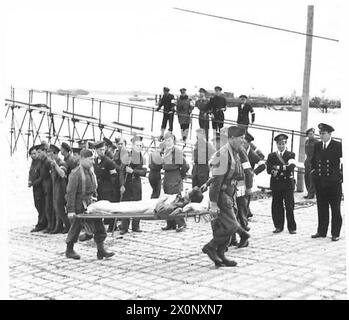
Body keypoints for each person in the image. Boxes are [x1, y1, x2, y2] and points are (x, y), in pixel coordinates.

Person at [202, 126, 250, 267]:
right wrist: (214, 203)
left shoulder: (235, 152)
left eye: (243, 137)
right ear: (231, 138)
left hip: (230, 194)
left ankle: (221, 254)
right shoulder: (223, 155)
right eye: (240, 138)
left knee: (225, 226)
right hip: (221, 195)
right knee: (231, 226)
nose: (243, 140)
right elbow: (216, 182)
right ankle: (211, 247)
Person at [65, 149, 114, 260]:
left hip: (90, 204)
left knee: (99, 226)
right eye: (90, 159)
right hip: (79, 205)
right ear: (82, 159)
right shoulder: (75, 174)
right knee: (76, 227)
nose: (93, 161)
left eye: (93, 159)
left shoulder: (91, 171)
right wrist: (71, 210)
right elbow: (70, 193)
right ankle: (69, 250)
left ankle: (100, 251)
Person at [311, 123, 342, 241]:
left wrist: (341, 176)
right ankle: (321, 231)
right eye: (320, 133)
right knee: (322, 208)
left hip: (333, 183)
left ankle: (335, 233)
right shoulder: (318, 145)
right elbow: (313, 161)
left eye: (323, 133)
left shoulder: (337, 145)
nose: (321, 136)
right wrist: (314, 174)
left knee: (335, 209)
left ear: (330, 134)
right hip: (320, 182)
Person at [266, 134, 297, 234]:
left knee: (289, 206)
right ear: (276, 144)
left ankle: (292, 227)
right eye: (279, 144)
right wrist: (280, 168)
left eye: (283, 144)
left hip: (287, 184)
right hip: (276, 184)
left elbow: (291, 167)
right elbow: (269, 169)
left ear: (285, 144)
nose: (281, 146)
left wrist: (277, 168)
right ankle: (278, 226)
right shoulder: (271, 155)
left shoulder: (291, 154)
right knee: (276, 206)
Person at [161, 132, 189, 232]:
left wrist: (181, 175)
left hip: (175, 176)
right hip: (167, 176)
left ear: (173, 141)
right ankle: (170, 223)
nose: (167, 142)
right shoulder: (165, 150)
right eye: (166, 140)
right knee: (168, 201)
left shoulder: (176, 151)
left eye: (169, 140)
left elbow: (185, 165)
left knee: (176, 202)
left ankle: (181, 223)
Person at [119, 135, 147, 234]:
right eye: (137, 145)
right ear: (133, 145)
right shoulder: (127, 157)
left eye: (140, 145)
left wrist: (133, 171)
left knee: (137, 205)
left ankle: (136, 226)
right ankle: (124, 227)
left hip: (136, 183)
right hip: (127, 184)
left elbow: (144, 172)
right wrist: (122, 184)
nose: (139, 147)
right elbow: (121, 172)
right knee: (125, 205)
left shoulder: (142, 158)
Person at [93, 140, 118, 233]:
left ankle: (113, 225)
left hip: (107, 188)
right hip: (98, 188)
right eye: (100, 150)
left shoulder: (108, 162)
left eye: (103, 150)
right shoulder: (95, 161)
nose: (102, 152)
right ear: (95, 150)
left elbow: (114, 176)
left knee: (108, 208)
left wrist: (110, 186)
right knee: (99, 207)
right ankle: (99, 226)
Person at [48, 144, 71, 234]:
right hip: (55, 188)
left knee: (59, 209)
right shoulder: (52, 164)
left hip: (61, 189)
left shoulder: (62, 163)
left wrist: (56, 165)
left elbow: (62, 174)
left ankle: (68, 225)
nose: (48, 155)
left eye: (49, 153)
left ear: (54, 154)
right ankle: (59, 226)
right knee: (56, 208)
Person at [28, 145, 47, 232]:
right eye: (31, 154)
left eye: (34, 153)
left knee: (41, 205)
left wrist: (33, 183)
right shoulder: (33, 162)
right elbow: (31, 173)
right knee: (37, 204)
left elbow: (42, 176)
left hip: (40, 187)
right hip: (35, 187)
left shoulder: (40, 162)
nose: (33, 155)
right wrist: (29, 181)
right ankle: (41, 222)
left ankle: (41, 224)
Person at [36, 143, 54, 233]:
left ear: (44, 151)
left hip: (48, 186)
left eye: (39, 152)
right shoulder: (42, 161)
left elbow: (51, 175)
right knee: (45, 206)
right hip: (44, 186)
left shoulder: (48, 161)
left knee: (49, 207)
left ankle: (50, 226)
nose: (38, 154)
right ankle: (47, 225)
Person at [304, 128, 318, 199]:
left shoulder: (316, 142)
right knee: (306, 176)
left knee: (312, 177)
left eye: (312, 134)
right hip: (307, 160)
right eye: (309, 134)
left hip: (314, 161)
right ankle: (308, 191)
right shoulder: (306, 142)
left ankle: (311, 193)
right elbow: (306, 151)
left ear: (314, 134)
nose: (310, 135)